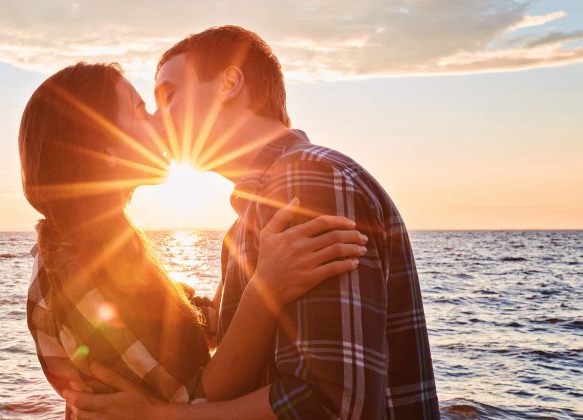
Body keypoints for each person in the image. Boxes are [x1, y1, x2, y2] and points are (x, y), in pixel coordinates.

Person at [64, 26, 440, 419]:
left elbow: (329, 404)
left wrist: (158, 416)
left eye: (169, 96)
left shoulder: (309, 179)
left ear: (229, 82)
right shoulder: (247, 221)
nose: (157, 121)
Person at [21, 62, 369, 419]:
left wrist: (247, 252)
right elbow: (197, 397)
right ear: (105, 147)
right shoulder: (75, 271)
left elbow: (188, 330)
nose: (159, 122)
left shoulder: (105, 248)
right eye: (141, 112)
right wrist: (265, 289)